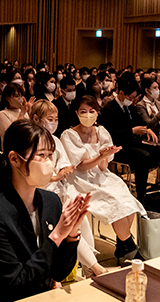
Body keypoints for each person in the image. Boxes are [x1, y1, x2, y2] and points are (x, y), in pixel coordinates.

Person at [0, 120, 86, 302]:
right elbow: (15, 286)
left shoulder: (51, 202)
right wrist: (58, 235)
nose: (48, 163)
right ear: (15, 159)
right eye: (41, 155)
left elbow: (58, 272)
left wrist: (72, 234)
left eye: (50, 155)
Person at [61, 96, 145, 264]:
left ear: (97, 113)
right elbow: (81, 167)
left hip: (100, 175)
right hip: (80, 180)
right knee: (114, 200)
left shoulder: (102, 132)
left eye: (92, 111)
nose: (88, 115)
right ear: (76, 113)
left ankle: (123, 243)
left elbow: (103, 167)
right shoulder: (69, 135)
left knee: (126, 199)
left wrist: (105, 156)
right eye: (83, 111)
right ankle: (127, 246)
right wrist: (100, 156)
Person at [29, 100, 105, 277]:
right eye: (50, 118)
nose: (54, 122)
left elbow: (65, 165)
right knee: (68, 218)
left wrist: (62, 171)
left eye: (56, 119)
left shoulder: (55, 140)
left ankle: (90, 265)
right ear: (36, 119)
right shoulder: (32, 141)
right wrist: (54, 176)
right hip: (39, 193)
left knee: (81, 217)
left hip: (57, 191)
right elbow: (36, 176)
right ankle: (95, 267)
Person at [99, 78, 160, 208]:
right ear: (121, 93)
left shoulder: (130, 108)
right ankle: (141, 195)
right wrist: (132, 131)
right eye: (130, 97)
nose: (132, 100)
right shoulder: (109, 110)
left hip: (133, 143)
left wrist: (146, 129)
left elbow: (140, 123)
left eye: (134, 97)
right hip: (120, 147)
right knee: (143, 157)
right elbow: (111, 134)